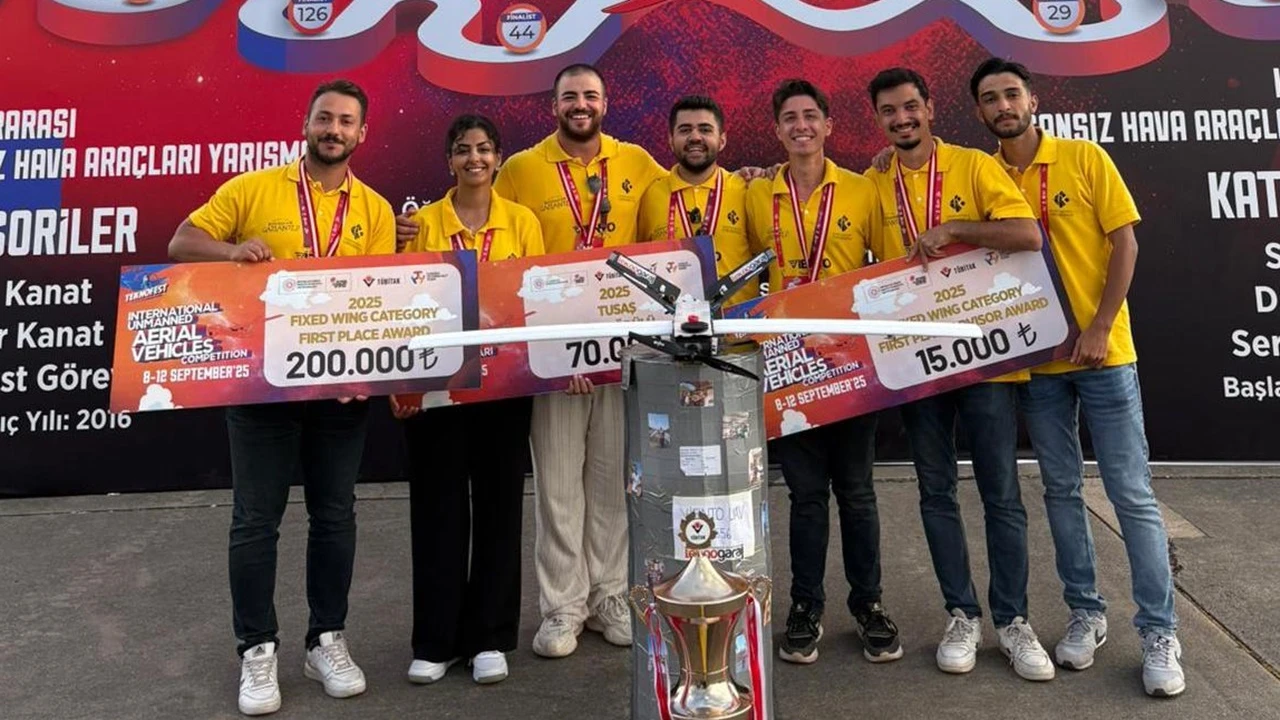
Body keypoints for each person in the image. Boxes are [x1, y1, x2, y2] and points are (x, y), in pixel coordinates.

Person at [168, 79, 395, 715]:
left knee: (335, 516)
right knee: (255, 520)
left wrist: (364, 376)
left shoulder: (375, 209)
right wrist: (232, 250)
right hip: (261, 382)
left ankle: (326, 639)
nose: (333, 129)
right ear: (306, 123)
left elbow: (380, 297)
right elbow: (181, 242)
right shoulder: (252, 189)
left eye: (346, 121)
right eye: (325, 118)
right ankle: (257, 648)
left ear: (362, 133)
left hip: (340, 390)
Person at [969, 57, 1184, 697]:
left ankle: (1159, 631)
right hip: (1039, 365)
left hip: (1103, 356)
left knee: (1130, 494)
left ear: (1032, 99)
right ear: (980, 112)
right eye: (990, 98)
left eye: (1012, 93)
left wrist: (1099, 326)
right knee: (1061, 492)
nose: (1003, 106)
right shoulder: (983, 175)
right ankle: (1087, 613)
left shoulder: (1084, 158)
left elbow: (1126, 244)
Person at [862, 67, 1054, 682]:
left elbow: (1028, 234)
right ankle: (962, 614)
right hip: (916, 359)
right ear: (878, 120)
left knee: (1001, 493)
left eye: (910, 107)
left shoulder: (973, 166)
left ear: (930, 107)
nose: (902, 119)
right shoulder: (873, 181)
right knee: (936, 491)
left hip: (983, 354)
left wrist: (954, 229)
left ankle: (1014, 620)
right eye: (889, 111)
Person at [743, 78, 902, 666]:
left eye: (811, 115)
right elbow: (744, 266)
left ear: (829, 125)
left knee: (857, 492)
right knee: (806, 495)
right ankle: (805, 607)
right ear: (777, 129)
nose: (801, 126)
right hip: (789, 365)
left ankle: (869, 605)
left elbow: (887, 269)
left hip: (849, 363)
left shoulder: (862, 189)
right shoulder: (756, 193)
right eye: (790, 117)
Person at [390, 115, 546, 686]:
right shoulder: (421, 225)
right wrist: (401, 384)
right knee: (438, 508)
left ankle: (490, 637)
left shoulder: (523, 222)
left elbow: (538, 299)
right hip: (437, 388)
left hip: (504, 386)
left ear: (499, 157)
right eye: (462, 150)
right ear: (449, 160)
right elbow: (399, 311)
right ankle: (436, 640)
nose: (474, 158)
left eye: (483, 149)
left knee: (500, 507)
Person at [637, 95, 757, 306]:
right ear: (670, 140)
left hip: (736, 323)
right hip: (672, 322)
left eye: (705, 129)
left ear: (722, 140)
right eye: (685, 130)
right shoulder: (650, 195)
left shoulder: (746, 190)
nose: (695, 137)